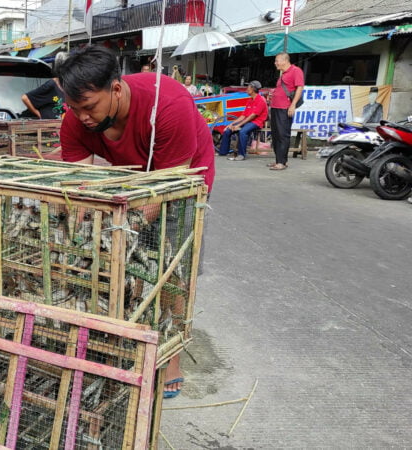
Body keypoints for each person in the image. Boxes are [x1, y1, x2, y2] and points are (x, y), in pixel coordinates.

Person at [57, 46, 215, 399]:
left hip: (181, 180)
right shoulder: (76, 119)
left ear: (115, 88)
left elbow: (162, 192)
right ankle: (134, 330)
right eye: (74, 108)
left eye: (89, 108)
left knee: (170, 269)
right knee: (128, 265)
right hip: (128, 178)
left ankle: (170, 354)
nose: (81, 117)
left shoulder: (168, 105)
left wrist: (124, 230)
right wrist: (82, 228)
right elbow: (79, 183)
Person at [269, 52, 304, 171]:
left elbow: (300, 87)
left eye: (277, 60)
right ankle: (279, 159)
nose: (275, 63)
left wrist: (293, 105)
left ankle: (282, 162)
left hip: (285, 108)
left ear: (284, 60)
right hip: (276, 107)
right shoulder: (283, 74)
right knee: (276, 135)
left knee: (283, 134)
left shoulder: (296, 70)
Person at [216, 80, 268, 160]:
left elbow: (252, 116)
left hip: (257, 122)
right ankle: (223, 152)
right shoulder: (250, 100)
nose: (247, 89)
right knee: (228, 130)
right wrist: (232, 124)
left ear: (253, 89)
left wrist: (238, 125)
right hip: (248, 121)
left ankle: (241, 155)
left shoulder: (261, 100)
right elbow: (243, 116)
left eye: (249, 87)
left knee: (243, 131)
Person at [21, 52, 68, 119]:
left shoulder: (69, 86)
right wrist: (38, 114)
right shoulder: (52, 84)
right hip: (47, 127)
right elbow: (25, 98)